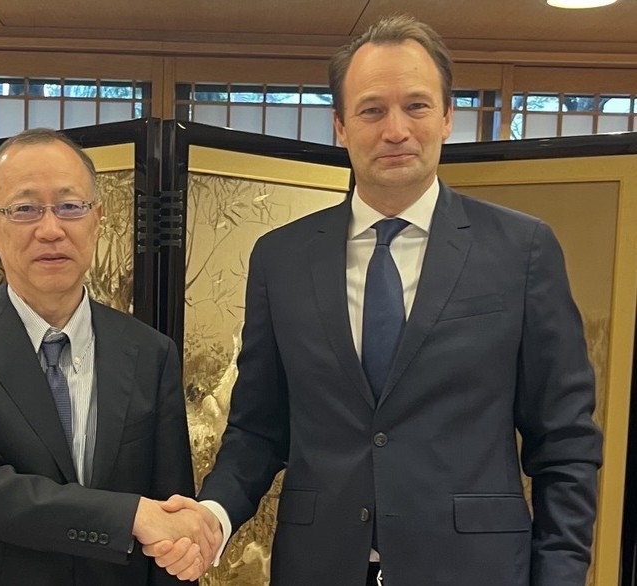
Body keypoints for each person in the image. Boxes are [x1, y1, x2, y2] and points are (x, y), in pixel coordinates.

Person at [150, 14, 602, 586]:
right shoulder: (281, 259)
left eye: (415, 106)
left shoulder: (522, 250)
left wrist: (561, 574)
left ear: (446, 116)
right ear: (340, 125)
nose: (395, 130)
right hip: (319, 567)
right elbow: (258, 430)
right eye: (371, 110)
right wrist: (213, 517)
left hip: (475, 568)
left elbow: (563, 439)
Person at [0, 128, 218, 585]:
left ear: (97, 218)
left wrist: (182, 550)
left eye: (70, 206)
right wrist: (129, 515)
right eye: (25, 209)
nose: (51, 230)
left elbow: (168, 508)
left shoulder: (150, 352)